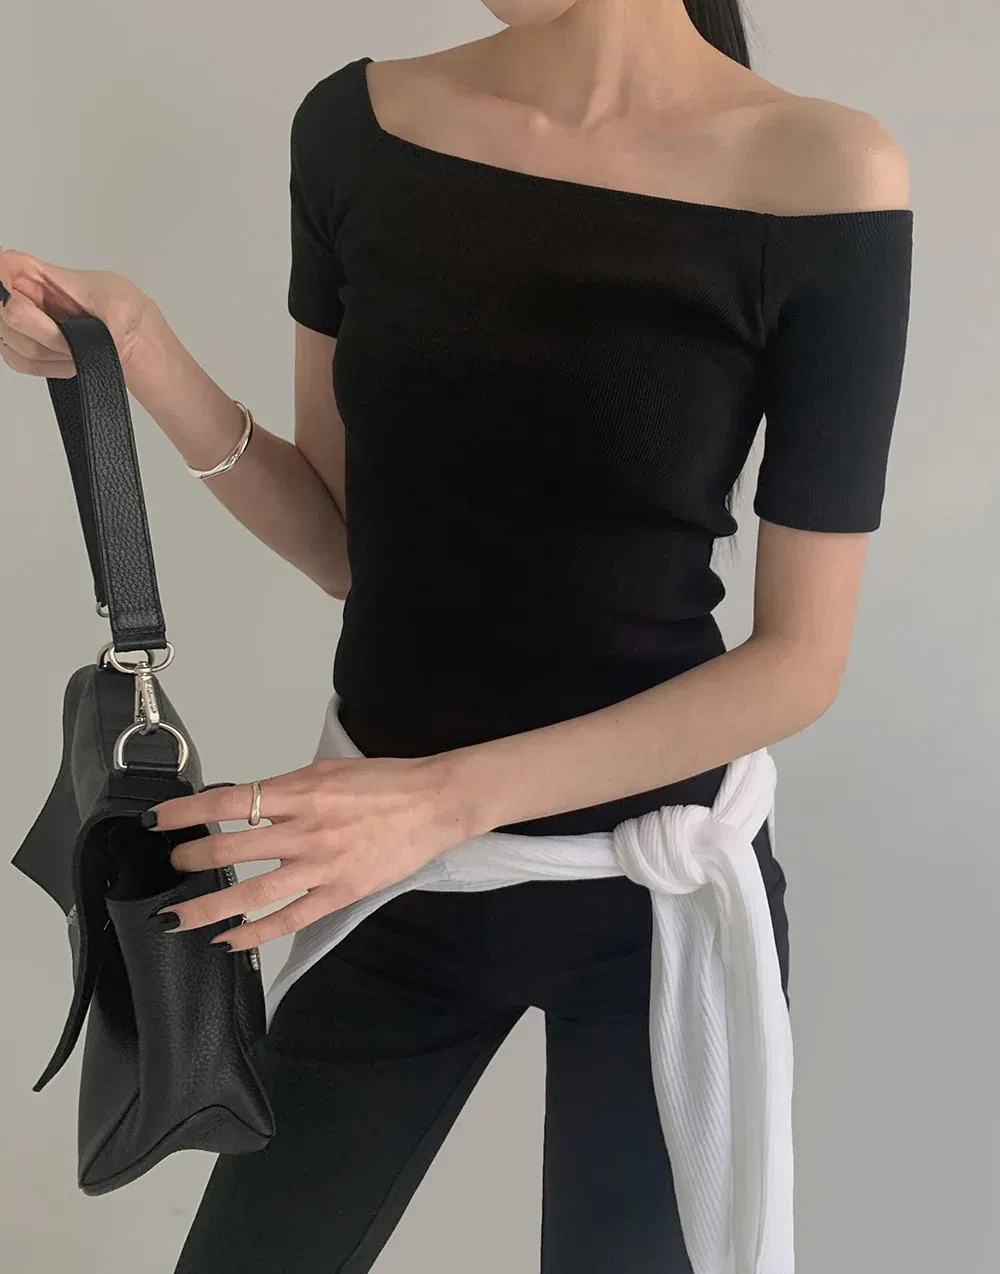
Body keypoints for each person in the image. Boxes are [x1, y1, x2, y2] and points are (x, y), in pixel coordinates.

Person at [0, 2, 913, 1271]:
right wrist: (141, 348)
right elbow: (350, 544)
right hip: (382, 867)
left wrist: (438, 800)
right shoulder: (357, 129)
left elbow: (798, 662)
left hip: (643, 892)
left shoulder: (822, 175)